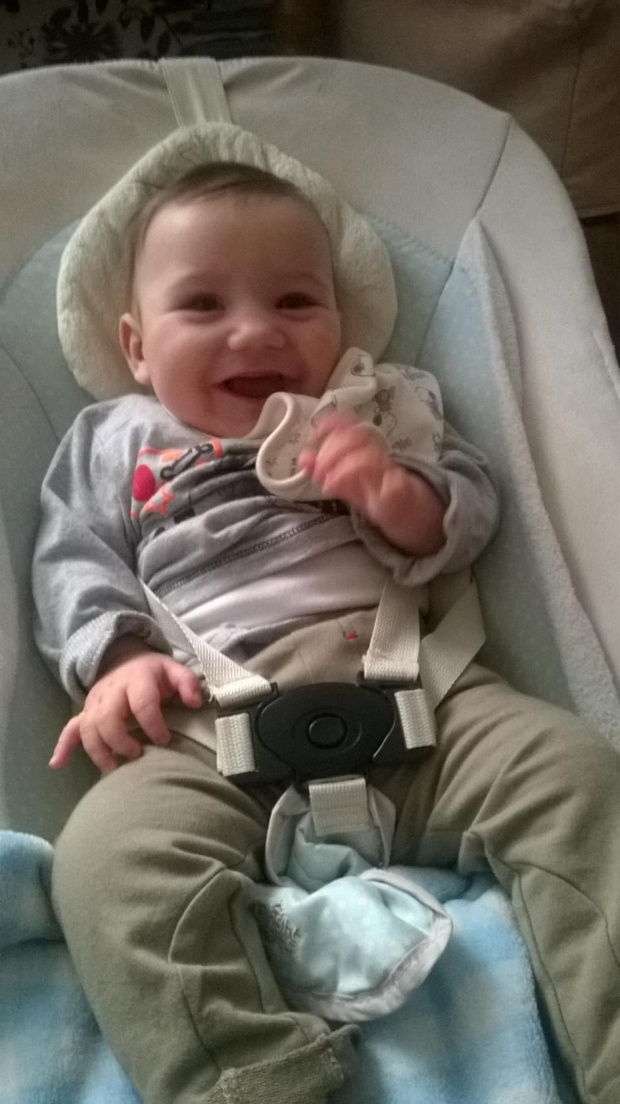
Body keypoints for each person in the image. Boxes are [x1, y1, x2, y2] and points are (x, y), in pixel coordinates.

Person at [32, 161, 620, 1104]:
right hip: (207, 722)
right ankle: (251, 1080)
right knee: (106, 860)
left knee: (579, 780)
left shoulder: (380, 405)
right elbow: (72, 557)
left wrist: (394, 490)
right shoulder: (117, 438)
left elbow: (473, 507)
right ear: (136, 347)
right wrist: (120, 659)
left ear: (343, 322)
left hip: (419, 695)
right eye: (204, 305)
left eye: (296, 301)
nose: (257, 330)